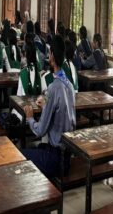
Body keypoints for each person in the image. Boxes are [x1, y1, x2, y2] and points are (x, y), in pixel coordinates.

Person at [22, 35, 76, 178]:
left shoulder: (53, 88)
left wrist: (30, 118)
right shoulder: (69, 85)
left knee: (21, 154)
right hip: (67, 155)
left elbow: (40, 130)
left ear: (51, 55)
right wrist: (46, 105)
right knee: (37, 148)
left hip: (56, 160)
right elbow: (60, 112)